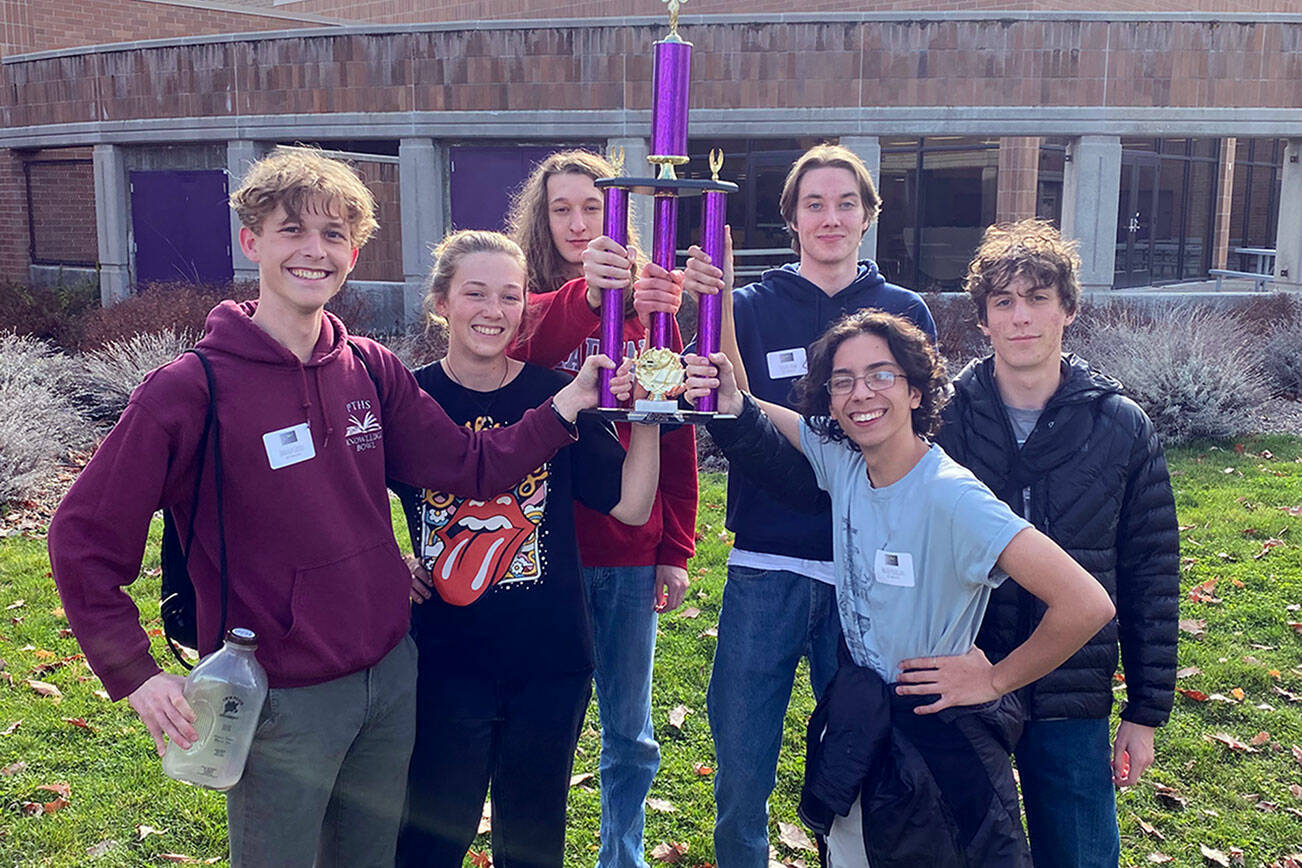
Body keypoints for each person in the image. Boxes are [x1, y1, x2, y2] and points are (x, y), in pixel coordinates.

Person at [47, 150, 609, 868]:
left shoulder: (369, 368)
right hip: (281, 695)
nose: (315, 251)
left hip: (390, 674)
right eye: (292, 231)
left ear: (353, 252)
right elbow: (84, 538)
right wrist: (134, 672)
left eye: (335, 235)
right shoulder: (191, 389)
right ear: (252, 241)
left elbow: (471, 469)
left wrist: (565, 404)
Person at [682, 309, 1115, 867]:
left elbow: (1086, 603)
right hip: (862, 722)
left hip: (936, 742)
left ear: (915, 391)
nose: (861, 393)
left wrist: (993, 679)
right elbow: (769, 413)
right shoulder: (844, 462)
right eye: (843, 381)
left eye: (880, 375)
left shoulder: (954, 499)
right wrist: (732, 390)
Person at [640, 142, 936, 867]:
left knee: (860, 760)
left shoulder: (902, 310)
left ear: (869, 216)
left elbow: (919, 431)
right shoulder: (748, 306)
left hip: (866, 570)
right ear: (792, 219)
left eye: (846, 203)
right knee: (742, 765)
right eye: (814, 204)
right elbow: (731, 401)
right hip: (767, 565)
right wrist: (714, 301)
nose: (830, 217)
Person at [393, 230, 660, 868]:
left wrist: (649, 416)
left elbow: (630, 505)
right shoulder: (407, 397)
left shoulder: (557, 393)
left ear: (526, 308)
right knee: (432, 829)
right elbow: (349, 489)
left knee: (534, 836)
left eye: (509, 296)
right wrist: (384, 552)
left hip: (550, 658)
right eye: (475, 293)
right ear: (441, 303)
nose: (493, 310)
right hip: (444, 655)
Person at [934, 219, 1179, 867]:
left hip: (1071, 695)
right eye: (1004, 302)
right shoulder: (941, 421)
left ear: (1068, 310)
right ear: (982, 319)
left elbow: (1151, 574)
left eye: (1038, 298)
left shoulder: (1120, 427)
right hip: (961, 683)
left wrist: (1146, 711)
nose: (1022, 317)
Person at [505, 149, 699, 868]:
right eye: (562, 209)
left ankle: (623, 854)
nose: (579, 222)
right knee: (539, 719)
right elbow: (522, 346)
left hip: (622, 549)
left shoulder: (653, 309)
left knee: (630, 728)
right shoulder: (517, 298)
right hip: (536, 546)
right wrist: (588, 299)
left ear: (618, 215)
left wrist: (675, 547)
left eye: (593, 207)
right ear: (541, 217)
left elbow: (673, 434)